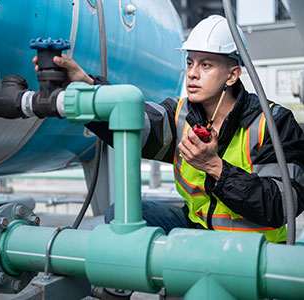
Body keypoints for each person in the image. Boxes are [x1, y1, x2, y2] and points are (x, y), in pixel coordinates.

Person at [34, 15, 304, 243]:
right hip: (198, 232)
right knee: (121, 214)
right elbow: (133, 122)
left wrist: (215, 168)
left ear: (232, 75)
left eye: (206, 64)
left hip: (253, 249)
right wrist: (88, 88)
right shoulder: (181, 115)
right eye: (190, 63)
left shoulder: (273, 123)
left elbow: (282, 205)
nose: (192, 73)